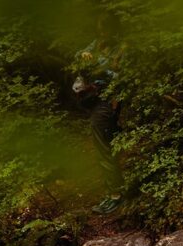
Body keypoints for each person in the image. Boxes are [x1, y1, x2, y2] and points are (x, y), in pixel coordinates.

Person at [74, 12, 125, 214]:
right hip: (95, 99)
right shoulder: (97, 43)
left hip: (108, 100)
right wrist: (83, 55)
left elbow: (119, 75)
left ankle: (116, 195)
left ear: (113, 30)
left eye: (105, 30)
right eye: (100, 30)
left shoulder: (122, 48)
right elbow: (78, 54)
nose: (102, 33)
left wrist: (99, 69)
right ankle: (112, 192)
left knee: (104, 146)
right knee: (102, 146)